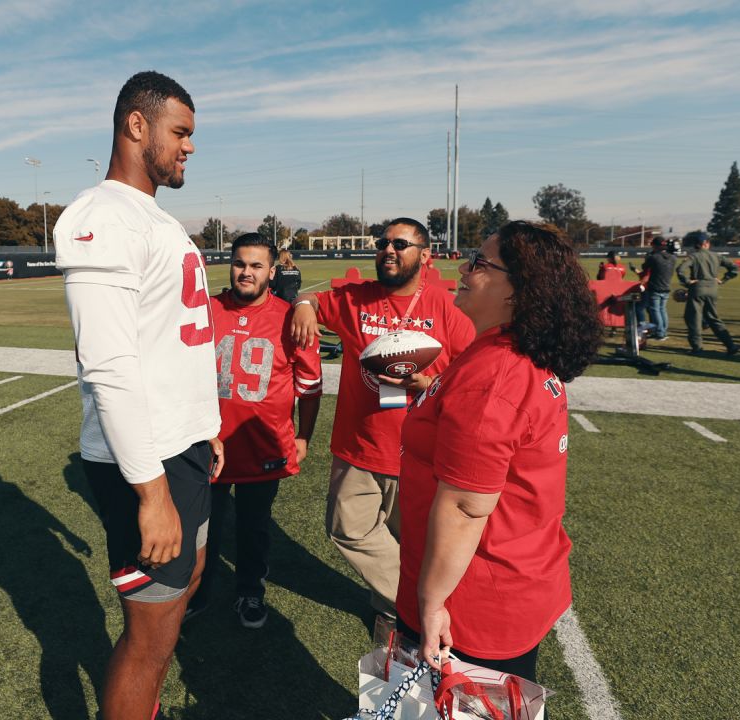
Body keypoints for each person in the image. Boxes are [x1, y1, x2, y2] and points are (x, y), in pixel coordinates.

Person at [53, 70, 224, 720]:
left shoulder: (150, 217)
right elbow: (110, 364)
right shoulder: (102, 216)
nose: (189, 146)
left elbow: (174, 342)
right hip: (143, 464)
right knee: (149, 641)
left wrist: (205, 425)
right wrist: (151, 494)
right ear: (136, 125)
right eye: (180, 132)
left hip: (182, 446)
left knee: (183, 597)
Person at [397, 220, 603, 684]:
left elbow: (467, 506)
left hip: (472, 599)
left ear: (516, 290)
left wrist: (431, 602)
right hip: (507, 575)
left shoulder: (495, 375)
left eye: (480, 263)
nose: (465, 270)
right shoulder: (509, 354)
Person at [290, 218, 475, 617]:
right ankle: (414, 603)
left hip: (420, 455)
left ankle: (394, 615)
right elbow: (311, 299)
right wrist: (304, 305)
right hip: (359, 447)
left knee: (407, 544)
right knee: (348, 529)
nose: (388, 250)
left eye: (400, 244)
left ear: (425, 256)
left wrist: (428, 383)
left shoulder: (446, 309)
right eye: (383, 242)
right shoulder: (357, 298)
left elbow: (473, 378)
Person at [188, 233, 322, 629]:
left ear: (272, 270)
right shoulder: (207, 310)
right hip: (207, 442)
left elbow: (310, 387)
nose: (246, 272)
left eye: (256, 265)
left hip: (263, 444)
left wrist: (304, 437)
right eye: (240, 264)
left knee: (254, 527)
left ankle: (249, 591)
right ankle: (199, 591)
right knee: (201, 529)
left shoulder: (290, 316)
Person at [675, 235, 740, 355]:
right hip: (713, 289)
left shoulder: (694, 256)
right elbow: (734, 268)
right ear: (707, 243)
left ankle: (697, 347)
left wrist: (688, 281)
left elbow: (680, 270)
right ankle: (730, 345)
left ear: (697, 244)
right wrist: (723, 279)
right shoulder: (717, 256)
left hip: (698, 288)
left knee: (693, 318)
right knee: (714, 318)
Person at [640, 237, 675, 339]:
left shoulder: (654, 257)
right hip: (666, 286)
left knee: (655, 310)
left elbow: (644, 267)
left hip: (655, 286)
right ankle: (664, 330)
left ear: (655, 246)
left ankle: (660, 332)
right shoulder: (673, 257)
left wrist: (648, 257)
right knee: (662, 310)